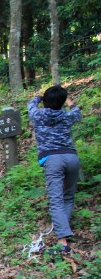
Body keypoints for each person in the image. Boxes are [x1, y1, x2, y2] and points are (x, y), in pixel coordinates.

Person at [28, 85, 82, 254]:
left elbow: (30, 104)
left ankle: (62, 241)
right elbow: (77, 113)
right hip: (71, 157)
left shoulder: (37, 115)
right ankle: (64, 229)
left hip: (52, 159)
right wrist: (71, 103)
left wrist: (39, 98)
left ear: (45, 101)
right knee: (68, 196)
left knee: (56, 200)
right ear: (62, 102)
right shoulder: (66, 116)